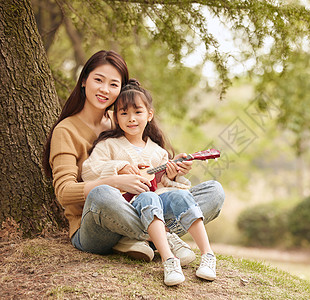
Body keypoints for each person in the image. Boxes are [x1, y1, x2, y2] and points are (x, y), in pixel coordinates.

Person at [42, 50, 224, 285]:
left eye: (113, 84)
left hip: (141, 207)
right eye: (98, 80)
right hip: (96, 222)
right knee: (102, 193)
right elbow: (64, 193)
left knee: (214, 192)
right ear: (84, 81)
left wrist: (170, 170)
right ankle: (162, 239)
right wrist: (114, 181)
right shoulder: (66, 130)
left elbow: (151, 172)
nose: (105, 89)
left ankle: (143, 238)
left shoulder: (122, 120)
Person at [81, 79, 217, 284]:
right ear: (115, 117)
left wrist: (171, 176)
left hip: (152, 209)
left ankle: (203, 254)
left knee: (208, 191)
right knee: (106, 194)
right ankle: (165, 240)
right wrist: (119, 168)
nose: (131, 119)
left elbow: (164, 193)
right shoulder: (108, 145)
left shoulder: (159, 152)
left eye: (137, 112)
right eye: (123, 113)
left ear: (149, 114)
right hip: (123, 211)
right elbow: (89, 171)